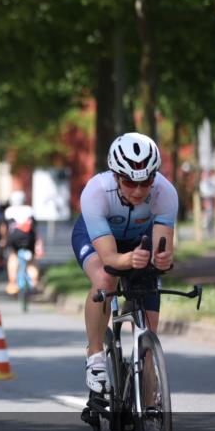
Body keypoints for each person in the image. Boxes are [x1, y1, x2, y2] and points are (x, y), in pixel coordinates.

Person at [71, 132, 176, 394]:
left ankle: (150, 412)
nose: (139, 191)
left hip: (139, 239)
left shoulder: (165, 192)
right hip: (97, 238)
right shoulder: (96, 192)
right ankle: (95, 355)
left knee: (149, 320)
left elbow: (162, 250)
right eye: (130, 182)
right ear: (116, 176)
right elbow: (110, 259)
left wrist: (162, 259)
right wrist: (129, 259)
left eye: (146, 181)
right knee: (105, 279)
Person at [3, 190, 40, 294]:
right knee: (31, 261)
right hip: (28, 238)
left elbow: (4, 228)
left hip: (14, 237)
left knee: (13, 256)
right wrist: (37, 241)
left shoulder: (8, 211)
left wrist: (4, 239)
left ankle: (12, 283)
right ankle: (34, 283)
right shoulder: (30, 210)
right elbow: (35, 227)